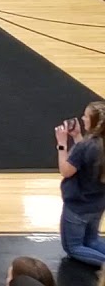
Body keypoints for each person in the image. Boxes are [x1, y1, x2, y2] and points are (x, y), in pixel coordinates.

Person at [56, 101, 105, 266]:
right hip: (98, 203)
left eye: (85, 116)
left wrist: (61, 144)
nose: (82, 118)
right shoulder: (96, 145)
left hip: (78, 206)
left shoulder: (85, 147)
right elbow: (90, 159)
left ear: (94, 121)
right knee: (92, 241)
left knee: (73, 247)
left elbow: (66, 170)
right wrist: (77, 136)